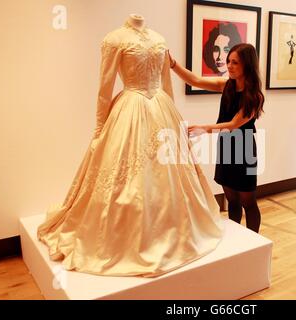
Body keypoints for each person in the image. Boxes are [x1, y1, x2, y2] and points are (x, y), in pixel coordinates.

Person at [37, 14, 223, 277]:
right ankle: (125, 238)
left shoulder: (159, 39)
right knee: (128, 176)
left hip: (161, 108)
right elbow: (105, 88)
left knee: (168, 176)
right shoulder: (113, 40)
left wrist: (172, 114)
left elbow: (166, 82)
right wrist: (100, 128)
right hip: (130, 105)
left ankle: (175, 233)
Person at [169, 43, 264, 233]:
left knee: (248, 200)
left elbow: (233, 124)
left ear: (247, 65)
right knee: (231, 198)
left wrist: (204, 128)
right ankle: (237, 236)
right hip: (226, 145)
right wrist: (173, 65)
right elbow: (195, 80)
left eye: (235, 62)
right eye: (229, 61)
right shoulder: (226, 85)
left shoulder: (255, 97)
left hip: (243, 147)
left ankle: (254, 241)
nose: (229, 66)